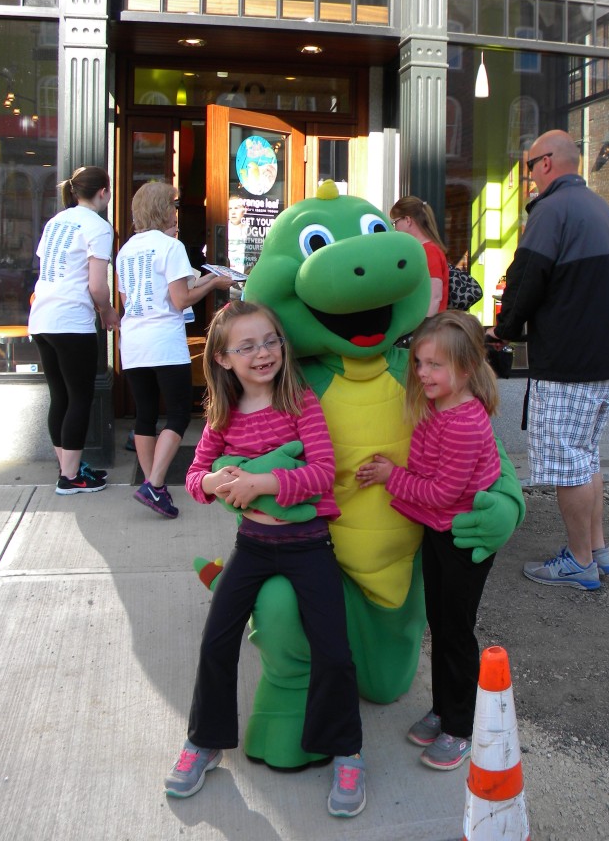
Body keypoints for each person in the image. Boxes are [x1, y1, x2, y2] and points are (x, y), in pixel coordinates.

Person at [166, 299, 365, 817]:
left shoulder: (299, 401)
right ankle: (204, 742)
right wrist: (210, 481)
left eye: (270, 340)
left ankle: (347, 752)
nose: (263, 352)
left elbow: (323, 471)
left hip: (308, 545)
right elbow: (193, 479)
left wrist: (263, 482)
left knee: (334, 652)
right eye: (247, 345)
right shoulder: (221, 415)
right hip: (252, 547)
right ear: (223, 359)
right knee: (216, 641)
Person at [486, 129, 609, 590]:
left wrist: (502, 331)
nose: (528, 177)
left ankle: (581, 561)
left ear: (546, 162)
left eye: (529, 166)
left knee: (568, 464)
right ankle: (599, 550)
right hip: (603, 360)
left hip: (568, 363)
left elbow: (526, 278)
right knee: (586, 459)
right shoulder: (599, 207)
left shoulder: (551, 210)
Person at [357, 310, 501, 772]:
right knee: (440, 625)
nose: (422, 373)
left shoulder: (463, 421)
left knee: (456, 631)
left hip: (461, 540)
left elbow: (442, 491)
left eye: (435, 365)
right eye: (419, 363)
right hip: (440, 532)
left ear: (465, 369)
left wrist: (389, 477)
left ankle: (461, 728)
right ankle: (444, 708)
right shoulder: (437, 406)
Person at [116, 181, 233, 519]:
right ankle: (154, 483)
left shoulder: (127, 250)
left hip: (134, 341)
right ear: (163, 209)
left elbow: (130, 301)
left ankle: (156, 486)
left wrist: (193, 283)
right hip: (164, 342)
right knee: (180, 413)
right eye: (173, 205)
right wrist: (212, 282)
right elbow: (180, 300)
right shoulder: (170, 246)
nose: (176, 210)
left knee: (145, 414)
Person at [29, 165, 121, 495]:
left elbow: (46, 269)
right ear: (103, 193)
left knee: (61, 396)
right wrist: (108, 312)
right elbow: (97, 285)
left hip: (42, 317)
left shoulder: (56, 222)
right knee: (80, 397)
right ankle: (69, 478)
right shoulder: (98, 226)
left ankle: (68, 466)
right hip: (71, 320)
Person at [389, 196, 449, 317]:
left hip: (426, 328)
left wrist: (423, 328)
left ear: (407, 220)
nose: (395, 228)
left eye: (395, 222)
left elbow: (434, 297)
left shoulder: (429, 251)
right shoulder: (425, 250)